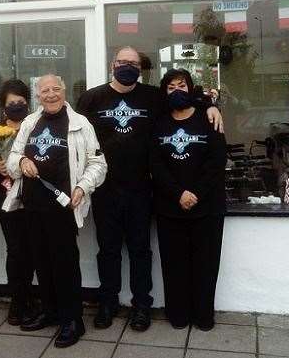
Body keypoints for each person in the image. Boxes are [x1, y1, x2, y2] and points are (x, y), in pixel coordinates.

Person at [76, 46, 223, 331]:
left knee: (141, 250)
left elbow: (183, 100)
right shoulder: (92, 98)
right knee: (107, 250)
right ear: (112, 65)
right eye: (122, 62)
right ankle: (108, 303)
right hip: (104, 188)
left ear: (140, 69)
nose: (127, 66)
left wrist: (211, 106)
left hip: (142, 188)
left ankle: (141, 305)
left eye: (133, 63)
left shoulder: (153, 96)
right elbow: (75, 131)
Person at [4, 74, 107, 348]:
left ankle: (73, 319)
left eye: (55, 89)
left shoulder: (79, 123)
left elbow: (98, 164)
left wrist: (83, 188)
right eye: (44, 91)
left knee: (65, 264)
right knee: (42, 262)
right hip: (32, 205)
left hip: (63, 207)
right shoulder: (30, 122)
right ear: (38, 96)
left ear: (64, 92)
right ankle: (50, 312)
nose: (50, 95)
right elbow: (12, 158)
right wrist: (23, 160)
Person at [150, 68, 227, 331]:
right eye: (171, 87)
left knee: (206, 265)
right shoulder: (158, 122)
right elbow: (155, 164)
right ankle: (178, 315)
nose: (177, 91)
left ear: (190, 88)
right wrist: (178, 193)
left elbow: (217, 161)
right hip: (169, 207)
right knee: (174, 266)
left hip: (207, 208)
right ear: (164, 92)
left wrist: (196, 193)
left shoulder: (209, 119)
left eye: (182, 85)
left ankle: (204, 316)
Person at [0, 79, 35, 325]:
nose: (17, 105)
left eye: (20, 101)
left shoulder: (35, 125)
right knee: (16, 252)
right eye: (11, 102)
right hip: (7, 201)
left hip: (33, 198)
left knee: (32, 252)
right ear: (3, 105)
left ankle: (29, 298)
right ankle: (17, 303)